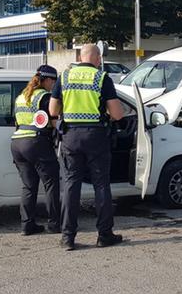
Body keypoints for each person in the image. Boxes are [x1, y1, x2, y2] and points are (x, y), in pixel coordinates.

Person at [49, 44, 125, 251]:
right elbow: (117, 114)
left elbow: (52, 109)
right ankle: (104, 235)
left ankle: (67, 238)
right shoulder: (102, 78)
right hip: (96, 137)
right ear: (97, 58)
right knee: (101, 185)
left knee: (71, 186)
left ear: (80, 57)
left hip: (71, 137)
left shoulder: (64, 77)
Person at [10, 65, 61, 236]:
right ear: (47, 80)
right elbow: (54, 121)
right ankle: (54, 224)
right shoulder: (45, 97)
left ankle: (27, 225)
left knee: (28, 186)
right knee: (51, 184)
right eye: (53, 81)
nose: (54, 85)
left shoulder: (21, 97)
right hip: (36, 141)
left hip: (17, 143)